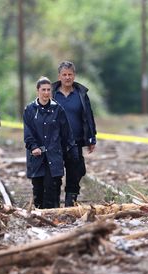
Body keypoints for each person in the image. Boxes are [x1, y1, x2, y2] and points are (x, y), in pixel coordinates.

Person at [23, 77, 78, 209]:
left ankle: (52, 217)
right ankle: (39, 215)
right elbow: (28, 132)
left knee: (52, 187)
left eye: (48, 90)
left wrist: (72, 151)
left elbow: (66, 133)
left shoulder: (58, 110)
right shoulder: (30, 110)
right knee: (38, 188)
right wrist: (33, 147)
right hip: (37, 156)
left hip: (54, 155)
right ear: (38, 91)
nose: (46, 93)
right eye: (43, 90)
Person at [52, 61, 97, 207]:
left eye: (70, 74)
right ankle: (54, 202)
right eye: (64, 75)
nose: (67, 77)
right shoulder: (51, 94)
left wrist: (91, 138)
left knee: (76, 172)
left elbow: (88, 116)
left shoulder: (81, 94)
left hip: (75, 141)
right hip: (55, 142)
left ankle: (70, 202)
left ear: (74, 76)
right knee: (55, 174)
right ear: (59, 76)